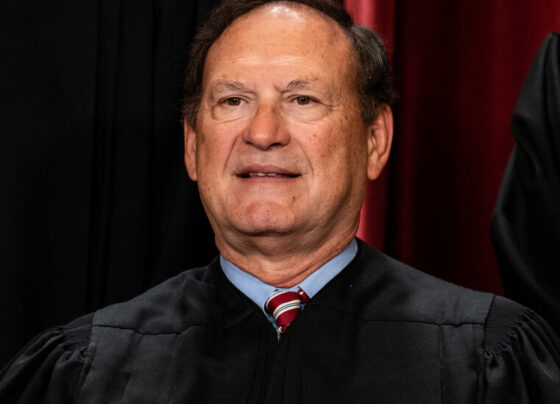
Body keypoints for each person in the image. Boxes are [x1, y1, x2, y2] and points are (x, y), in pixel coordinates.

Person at [1, 0, 559, 402]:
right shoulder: (83, 371)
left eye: (303, 98)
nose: (263, 132)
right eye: (233, 100)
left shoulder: (485, 362)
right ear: (192, 147)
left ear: (375, 140)